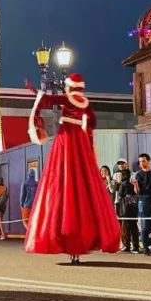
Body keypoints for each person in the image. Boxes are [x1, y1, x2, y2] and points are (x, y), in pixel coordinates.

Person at [23, 74, 120, 264]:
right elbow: (91, 126)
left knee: (61, 180)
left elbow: (47, 100)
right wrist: (90, 149)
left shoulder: (67, 99)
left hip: (66, 140)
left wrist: (35, 92)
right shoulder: (86, 104)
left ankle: (65, 239)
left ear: (69, 87)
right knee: (82, 184)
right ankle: (84, 240)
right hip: (81, 142)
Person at [19, 168, 38, 233]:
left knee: (25, 220)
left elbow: (22, 195)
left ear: (28, 175)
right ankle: (33, 232)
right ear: (34, 175)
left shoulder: (24, 183)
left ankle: (31, 233)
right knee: (34, 220)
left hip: (26, 205)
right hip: (35, 206)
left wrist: (21, 205)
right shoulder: (37, 184)